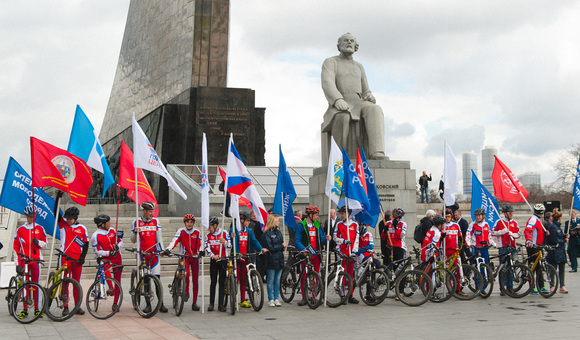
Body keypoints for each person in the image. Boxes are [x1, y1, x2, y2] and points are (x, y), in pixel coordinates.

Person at [321, 32, 386, 160]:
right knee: (342, 115)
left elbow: (365, 89)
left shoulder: (359, 66)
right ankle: (340, 156)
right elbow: (327, 82)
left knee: (375, 109)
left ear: (356, 46)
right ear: (339, 45)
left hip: (359, 103)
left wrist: (369, 95)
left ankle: (377, 152)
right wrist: (337, 99)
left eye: (351, 41)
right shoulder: (331, 62)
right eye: (345, 40)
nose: (349, 42)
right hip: (340, 102)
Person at [130, 201, 168, 313]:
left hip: (153, 255)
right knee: (146, 280)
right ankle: (148, 305)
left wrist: (161, 250)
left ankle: (161, 304)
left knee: (157, 280)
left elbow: (159, 237)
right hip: (142, 255)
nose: (152, 213)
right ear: (144, 211)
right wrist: (135, 233)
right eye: (150, 211)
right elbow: (132, 240)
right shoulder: (136, 222)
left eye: (153, 211)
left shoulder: (156, 221)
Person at [13, 206, 47, 318]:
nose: (31, 219)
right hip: (24, 261)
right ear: (26, 216)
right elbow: (16, 247)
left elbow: (45, 245)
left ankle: (37, 309)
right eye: (29, 217)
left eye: (33, 217)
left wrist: (39, 242)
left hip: (36, 260)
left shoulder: (40, 228)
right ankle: (25, 309)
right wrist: (17, 263)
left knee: (35, 285)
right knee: (25, 285)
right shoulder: (20, 230)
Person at [294, 205, 332, 306]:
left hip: (316, 254)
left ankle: (314, 296)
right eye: (316, 215)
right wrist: (304, 249)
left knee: (316, 276)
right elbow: (297, 241)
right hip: (306, 254)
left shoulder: (318, 226)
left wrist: (327, 238)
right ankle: (304, 297)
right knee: (304, 276)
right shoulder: (301, 225)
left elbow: (322, 239)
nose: (317, 217)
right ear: (310, 215)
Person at [165, 214, 202, 311]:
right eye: (187, 222)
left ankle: (194, 302)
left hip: (194, 257)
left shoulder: (197, 232)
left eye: (191, 222)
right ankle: (186, 292)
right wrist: (168, 249)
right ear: (184, 223)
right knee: (187, 274)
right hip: (184, 257)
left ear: (193, 223)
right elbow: (174, 241)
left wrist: (201, 251)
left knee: (195, 280)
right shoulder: (181, 231)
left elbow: (200, 243)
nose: (189, 224)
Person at [230, 211, 266, 308]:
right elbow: (229, 242)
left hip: (245, 257)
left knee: (243, 279)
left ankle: (242, 300)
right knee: (236, 279)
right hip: (236, 258)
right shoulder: (233, 230)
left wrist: (261, 248)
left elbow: (254, 241)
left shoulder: (249, 231)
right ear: (241, 220)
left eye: (249, 220)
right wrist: (231, 237)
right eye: (247, 220)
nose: (248, 222)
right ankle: (234, 301)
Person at [59, 206, 89, 316]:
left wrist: (82, 257)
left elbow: (86, 244)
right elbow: (56, 214)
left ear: (75, 218)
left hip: (77, 259)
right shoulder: (63, 225)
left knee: (76, 283)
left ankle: (77, 306)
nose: (68, 220)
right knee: (65, 282)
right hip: (65, 258)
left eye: (70, 219)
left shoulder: (82, 228)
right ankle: (65, 306)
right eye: (67, 218)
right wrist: (58, 198)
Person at [90, 214, 124, 311]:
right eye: (108, 222)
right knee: (105, 268)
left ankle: (115, 303)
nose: (110, 223)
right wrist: (108, 252)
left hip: (117, 257)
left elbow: (121, 242)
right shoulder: (95, 236)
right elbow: (97, 251)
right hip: (106, 257)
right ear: (102, 224)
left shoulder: (113, 230)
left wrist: (118, 247)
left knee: (118, 279)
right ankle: (110, 287)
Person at [491, 205, 520, 296]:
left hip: (512, 247)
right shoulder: (499, 222)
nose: (511, 215)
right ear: (505, 214)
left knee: (511, 268)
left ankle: (510, 287)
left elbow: (519, 233)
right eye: (510, 213)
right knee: (503, 269)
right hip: (503, 248)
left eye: (512, 213)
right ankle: (502, 288)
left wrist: (513, 234)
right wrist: (502, 231)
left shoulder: (514, 222)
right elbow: (492, 232)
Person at [333, 206, 360, 304]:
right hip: (342, 251)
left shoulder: (355, 225)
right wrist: (343, 241)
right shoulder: (339, 224)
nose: (341, 215)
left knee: (350, 274)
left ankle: (351, 295)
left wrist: (354, 251)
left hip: (351, 252)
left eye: (343, 213)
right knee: (343, 274)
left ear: (348, 213)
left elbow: (356, 239)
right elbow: (335, 237)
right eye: (341, 213)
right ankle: (343, 295)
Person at [205, 216, 231, 312]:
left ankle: (221, 304)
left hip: (223, 259)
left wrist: (224, 242)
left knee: (222, 283)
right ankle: (211, 303)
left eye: (210, 227)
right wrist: (212, 255)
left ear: (215, 225)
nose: (209, 229)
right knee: (213, 282)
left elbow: (230, 246)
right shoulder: (208, 235)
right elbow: (206, 247)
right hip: (214, 260)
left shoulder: (224, 233)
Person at [261, 213, 286, 307]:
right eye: (277, 221)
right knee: (270, 279)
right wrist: (281, 246)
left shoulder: (278, 232)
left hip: (279, 258)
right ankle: (270, 298)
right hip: (271, 258)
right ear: (273, 222)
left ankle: (276, 298)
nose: (279, 222)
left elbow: (280, 243)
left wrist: (283, 247)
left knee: (277, 280)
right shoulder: (266, 234)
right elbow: (269, 247)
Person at [524, 204, 547, 294]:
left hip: (539, 246)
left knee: (540, 267)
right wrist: (529, 240)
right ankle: (532, 287)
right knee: (532, 267)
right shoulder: (533, 219)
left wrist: (545, 233)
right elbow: (527, 230)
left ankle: (541, 286)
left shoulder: (538, 220)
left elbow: (538, 233)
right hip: (533, 247)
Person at [442, 208, 464, 296]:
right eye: (446, 216)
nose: (447, 218)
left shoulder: (456, 225)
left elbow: (460, 237)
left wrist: (460, 247)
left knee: (457, 270)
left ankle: (458, 289)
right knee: (448, 270)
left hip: (455, 251)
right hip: (445, 251)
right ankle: (449, 289)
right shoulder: (442, 226)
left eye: (449, 216)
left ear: (451, 217)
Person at [546, 209, 568, 293]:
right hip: (554, 251)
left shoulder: (557, 227)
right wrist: (564, 241)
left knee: (562, 268)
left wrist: (565, 236)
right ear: (559, 218)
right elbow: (555, 240)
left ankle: (562, 285)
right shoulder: (553, 227)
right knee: (553, 269)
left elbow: (560, 236)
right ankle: (552, 285)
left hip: (560, 251)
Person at [381, 208, 407, 274]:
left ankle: (400, 282)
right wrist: (384, 231)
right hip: (390, 247)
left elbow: (401, 236)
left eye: (397, 217)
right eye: (393, 216)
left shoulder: (403, 224)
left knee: (400, 267)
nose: (394, 219)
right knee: (390, 266)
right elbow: (383, 238)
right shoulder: (388, 223)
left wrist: (396, 227)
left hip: (399, 247)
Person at [250, 211, 267, 281]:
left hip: (259, 245)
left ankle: (260, 276)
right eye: (253, 216)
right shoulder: (252, 224)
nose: (254, 217)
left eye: (255, 215)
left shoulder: (259, 224)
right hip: (255, 245)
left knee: (260, 262)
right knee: (257, 261)